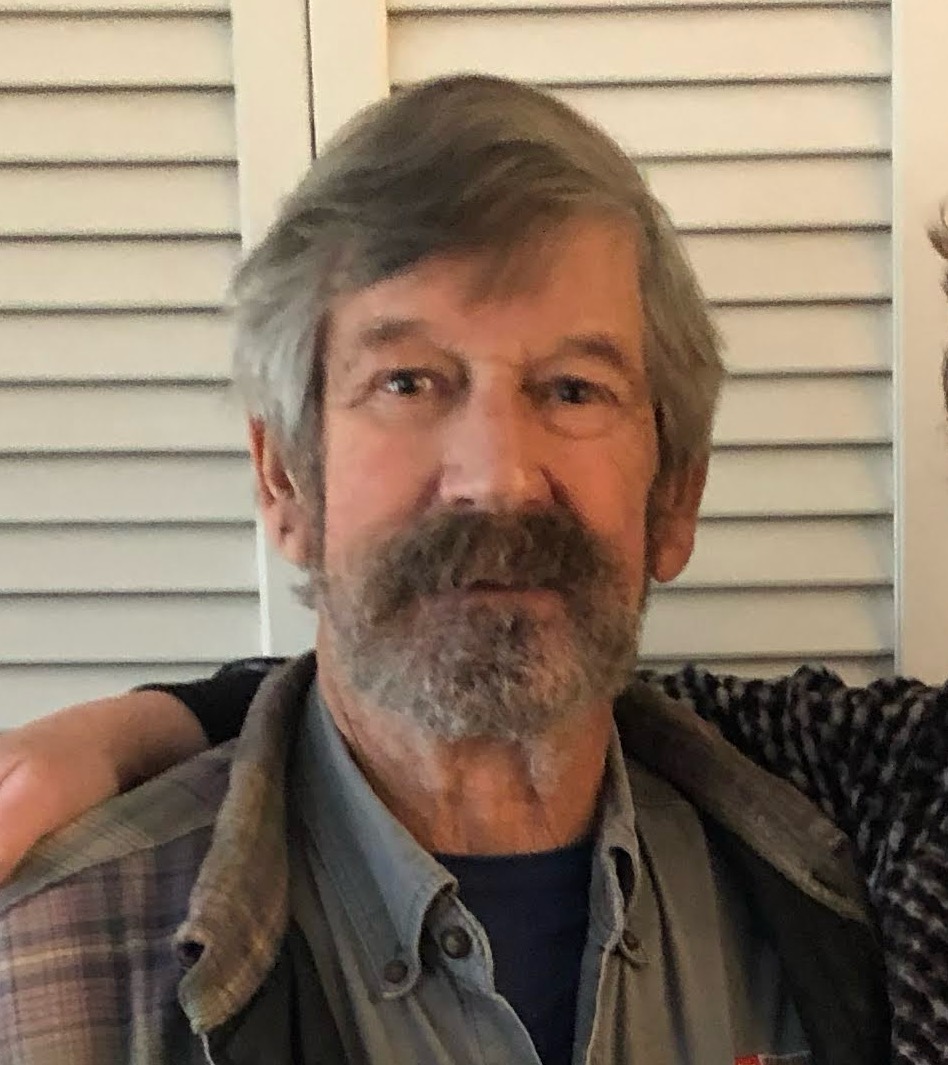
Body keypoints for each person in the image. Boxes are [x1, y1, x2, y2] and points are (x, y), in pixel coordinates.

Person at [0, 73, 930, 1064]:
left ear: (674, 496)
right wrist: (147, 728)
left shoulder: (838, 892)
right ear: (285, 479)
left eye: (573, 390)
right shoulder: (43, 976)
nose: (496, 479)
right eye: (407, 382)